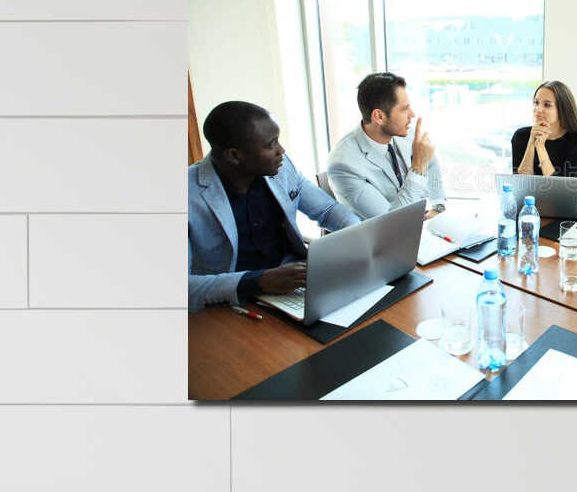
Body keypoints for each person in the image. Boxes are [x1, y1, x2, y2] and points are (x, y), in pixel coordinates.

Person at [187, 100, 358, 313]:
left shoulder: (281, 166)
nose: (281, 150)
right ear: (234, 156)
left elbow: (328, 210)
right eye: (271, 144)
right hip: (231, 304)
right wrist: (257, 281)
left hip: (296, 285)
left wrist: (358, 237)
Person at [326, 71, 443, 219]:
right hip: (384, 237)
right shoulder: (343, 165)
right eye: (404, 109)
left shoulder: (404, 133)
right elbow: (392, 223)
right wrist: (418, 166)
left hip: (419, 225)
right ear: (379, 116)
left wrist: (437, 207)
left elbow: (430, 163)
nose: (412, 115)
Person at [508, 80, 577, 184]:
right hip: (528, 200)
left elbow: (559, 188)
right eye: (536, 103)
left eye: (547, 105)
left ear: (562, 109)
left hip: (560, 200)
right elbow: (521, 184)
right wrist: (531, 142)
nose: (538, 109)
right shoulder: (520, 136)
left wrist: (540, 147)